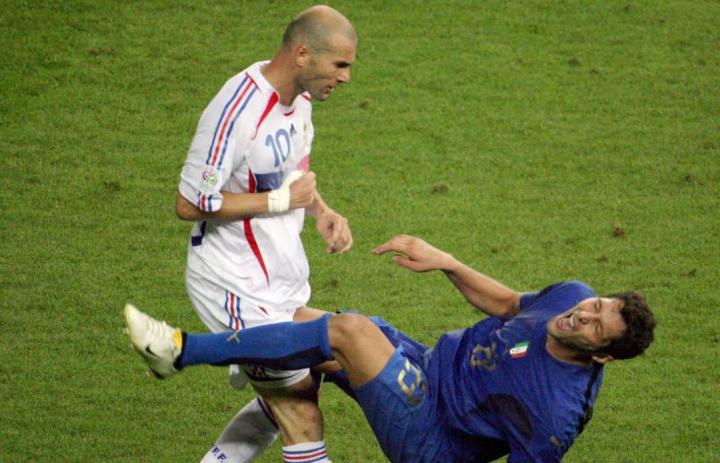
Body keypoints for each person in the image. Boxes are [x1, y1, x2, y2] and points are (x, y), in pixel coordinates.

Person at [126, 234, 657, 462]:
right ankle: (250, 380)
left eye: (596, 327)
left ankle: (179, 351)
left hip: (433, 441)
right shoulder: (571, 296)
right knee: (297, 327)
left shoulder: (556, 413)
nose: (583, 314)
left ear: (602, 356)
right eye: (597, 305)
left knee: (349, 333)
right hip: (425, 364)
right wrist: (448, 262)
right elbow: (509, 304)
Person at [172, 5, 356, 462]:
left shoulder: (301, 99)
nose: (346, 77)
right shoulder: (238, 109)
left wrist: (320, 210)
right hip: (233, 283)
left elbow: (293, 169)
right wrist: (279, 202)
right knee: (300, 412)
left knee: (316, 372)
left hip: (278, 277)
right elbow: (190, 203)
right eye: (340, 64)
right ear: (303, 54)